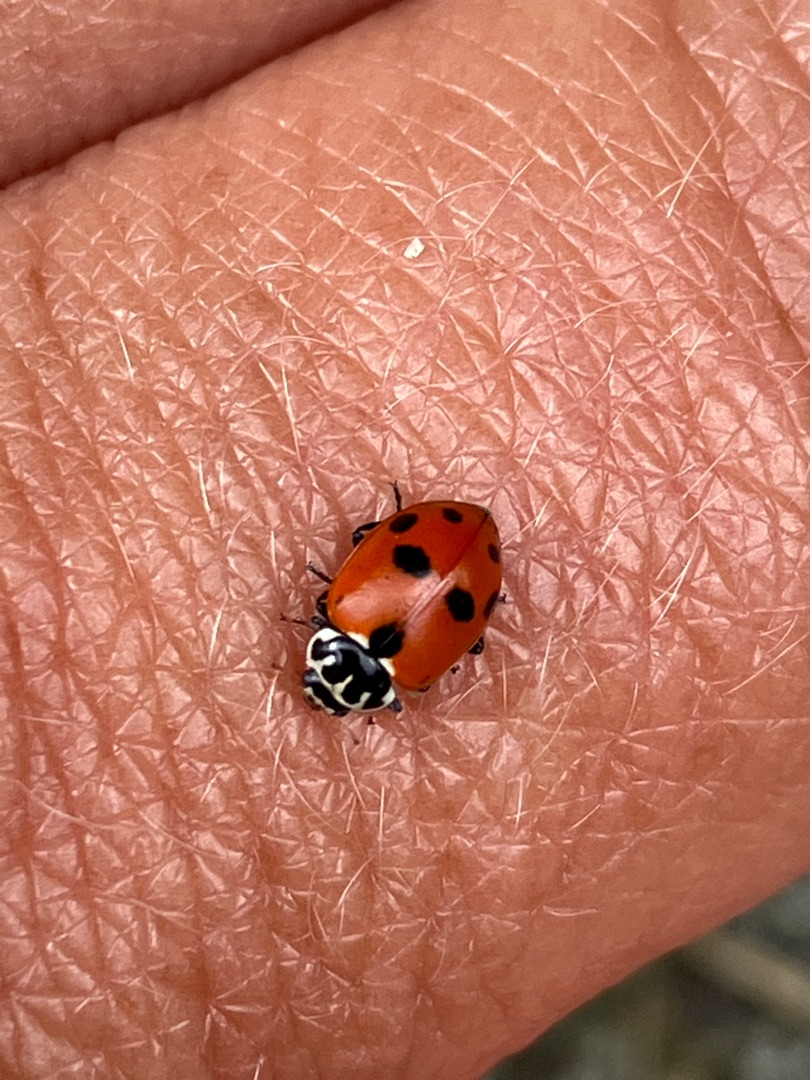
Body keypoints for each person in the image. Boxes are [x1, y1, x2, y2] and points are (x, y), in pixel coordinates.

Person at [1, 0, 808, 1077]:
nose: (314, 674)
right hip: (433, 553)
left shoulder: (374, 635)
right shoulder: (353, 610)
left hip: (443, 554)